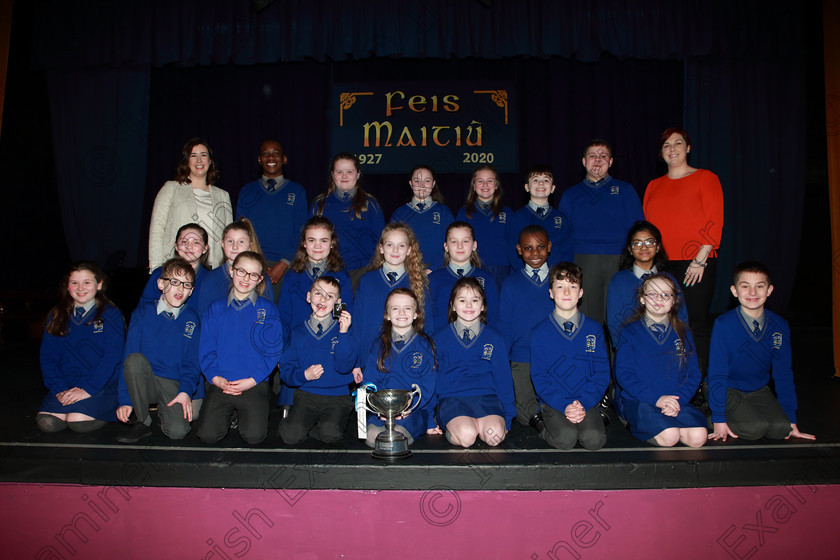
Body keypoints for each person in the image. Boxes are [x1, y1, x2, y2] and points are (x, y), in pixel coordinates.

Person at [643, 127, 724, 371]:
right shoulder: (653, 186)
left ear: (688, 148)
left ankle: (697, 385)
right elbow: (648, 230)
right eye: (666, 145)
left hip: (696, 262)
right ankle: (669, 376)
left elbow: (715, 220)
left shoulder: (705, 178)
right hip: (663, 264)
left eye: (677, 143)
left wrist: (700, 260)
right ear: (661, 153)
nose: (672, 149)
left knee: (694, 323)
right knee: (664, 322)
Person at [707, 262, 815, 442]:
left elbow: (783, 374)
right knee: (755, 429)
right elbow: (717, 373)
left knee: (782, 428)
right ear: (734, 291)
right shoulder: (723, 324)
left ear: (769, 290)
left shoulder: (779, 325)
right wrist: (718, 418)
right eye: (745, 286)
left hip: (758, 390)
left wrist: (792, 419)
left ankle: (747, 414)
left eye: (759, 286)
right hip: (727, 389)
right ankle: (710, 418)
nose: (752, 293)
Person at [197, 251, 284, 444]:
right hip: (222, 382)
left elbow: (273, 351)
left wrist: (253, 380)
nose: (246, 278)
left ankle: (242, 415)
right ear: (231, 271)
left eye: (253, 275)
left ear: (260, 279)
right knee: (207, 435)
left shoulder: (267, 309)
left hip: (252, 382)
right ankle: (229, 415)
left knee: (254, 436)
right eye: (241, 271)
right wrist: (216, 379)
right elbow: (206, 349)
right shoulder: (215, 308)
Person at [614, 274, 707, 447]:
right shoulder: (630, 331)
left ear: (674, 301)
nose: (659, 299)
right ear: (642, 299)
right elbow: (624, 375)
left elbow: (694, 373)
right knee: (670, 436)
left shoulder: (683, 333)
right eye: (653, 294)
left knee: (698, 437)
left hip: (676, 402)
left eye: (666, 295)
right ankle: (633, 424)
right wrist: (657, 399)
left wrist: (679, 400)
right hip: (642, 400)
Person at [116, 257, 202, 442]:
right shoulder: (142, 313)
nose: (180, 289)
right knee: (134, 361)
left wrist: (186, 391)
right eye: (174, 282)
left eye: (186, 285)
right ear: (161, 284)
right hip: (145, 380)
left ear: (191, 291)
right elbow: (127, 357)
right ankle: (143, 420)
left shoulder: (191, 320)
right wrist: (125, 400)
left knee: (178, 432)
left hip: (172, 383)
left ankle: (165, 411)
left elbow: (192, 362)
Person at [559, 139, 643, 324]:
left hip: (619, 260)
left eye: (603, 156)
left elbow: (639, 230)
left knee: (622, 316)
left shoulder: (625, 190)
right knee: (588, 319)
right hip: (583, 260)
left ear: (611, 162)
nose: (598, 160)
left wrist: (636, 263)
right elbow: (562, 235)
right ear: (583, 161)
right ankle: (590, 353)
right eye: (592, 156)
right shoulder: (570, 195)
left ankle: (619, 354)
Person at [37, 262, 125, 433]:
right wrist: (60, 389)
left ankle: (104, 410)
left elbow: (112, 357)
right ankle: (74, 404)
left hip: (100, 384)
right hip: (68, 383)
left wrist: (87, 390)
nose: (80, 288)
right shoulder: (56, 316)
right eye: (74, 283)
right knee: (47, 423)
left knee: (77, 421)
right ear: (67, 286)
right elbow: (48, 358)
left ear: (99, 285)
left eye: (86, 282)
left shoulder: (110, 314)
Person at [530, 263, 609, 450]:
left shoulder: (594, 330)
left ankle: (597, 417)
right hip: (555, 401)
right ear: (550, 293)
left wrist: (584, 403)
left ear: (580, 293)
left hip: (585, 401)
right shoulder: (540, 332)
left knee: (594, 440)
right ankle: (542, 425)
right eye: (560, 286)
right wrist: (564, 405)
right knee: (566, 439)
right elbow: (539, 377)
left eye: (572, 286)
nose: (566, 292)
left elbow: (602, 373)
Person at [433, 278, 515, 447]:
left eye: (475, 300)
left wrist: (507, 417)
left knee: (494, 437)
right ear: (453, 306)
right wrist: (429, 417)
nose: (469, 306)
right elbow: (431, 378)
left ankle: (479, 424)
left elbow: (504, 380)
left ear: (483, 306)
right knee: (467, 436)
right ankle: (459, 426)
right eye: (462, 300)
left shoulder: (494, 338)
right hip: (453, 400)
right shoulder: (439, 338)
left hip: (486, 400)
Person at [277, 276, 358, 445]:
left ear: (338, 302)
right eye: (318, 293)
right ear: (308, 297)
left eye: (330, 296)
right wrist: (303, 375)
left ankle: (323, 424)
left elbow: (345, 367)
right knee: (291, 436)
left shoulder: (344, 331)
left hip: (337, 396)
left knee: (330, 434)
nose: (323, 299)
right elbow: (286, 370)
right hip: (306, 394)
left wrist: (343, 334)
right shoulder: (298, 332)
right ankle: (305, 423)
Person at [361, 288, 438, 448]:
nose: (401, 312)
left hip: (413, 411)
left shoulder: (425, 345)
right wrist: (379, 410)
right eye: (395, 308)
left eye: (407, 308)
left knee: (394, 440)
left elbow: (429, 387)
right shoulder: (378, 345)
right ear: (387, 315)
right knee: (373, 438)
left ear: (416, 313)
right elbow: (369, 381)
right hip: (383, 412)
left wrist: (428, 419)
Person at [499, 225, 556, 432]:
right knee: (526, 413)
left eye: (540, 247)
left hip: (553, 357)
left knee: (555, 403)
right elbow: (505, 327)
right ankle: (541, 423)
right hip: (522, 359)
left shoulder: (559, 281)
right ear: (519, 250)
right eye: (528, 248)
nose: (535, 253)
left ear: (549, 247)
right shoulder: (511, 284)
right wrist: (503, 362)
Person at [236, 140, 308, 302]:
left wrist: (283, 264)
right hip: (253, 266)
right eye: (265, 153)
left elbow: (301, 231)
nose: (271, 157)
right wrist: (255, 264)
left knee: (282, 319)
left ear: (284, 159)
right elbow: (241, 231)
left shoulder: (297, 191)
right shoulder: (247, 191)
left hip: (287, 267)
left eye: (276, 153)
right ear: (259, 160)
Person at [354, 223, 434, 362]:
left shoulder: (419, 281)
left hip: (408, 359)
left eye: (401, 245)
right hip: (371, 359)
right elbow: (357, 324)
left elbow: (429, 326)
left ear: (409, 250)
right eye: (390, 245)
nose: (395, 250)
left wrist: (426, 358)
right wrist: (356, 361)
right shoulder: (367, 281)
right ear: (381, 248)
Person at [148, 138, 232, 271]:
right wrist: (156, 267)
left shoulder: (223, 196)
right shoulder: (171, 188)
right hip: (175, 268)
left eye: (203, 155)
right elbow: (157, 228)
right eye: (194, 156)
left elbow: (229, 236)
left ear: (210, 162)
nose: (199, 160)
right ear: (187, 161)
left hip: (211, 269)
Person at [605, 220, 687, 346]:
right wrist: (625, 349)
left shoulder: (669, 280)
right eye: (637, 243)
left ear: (658, 247)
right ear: (630, 250)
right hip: (631, 348)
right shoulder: (619, 280)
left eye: (649, 242)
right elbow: (614, 322)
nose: (644, 247)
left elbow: (681, 317)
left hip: (666, 346)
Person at [311, 152, 385, 288]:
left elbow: (382, 241)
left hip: (363, 272)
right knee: (339, 309)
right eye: (339, 172)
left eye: (349, 172)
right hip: (331, 272)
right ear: (332, 175)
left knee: (360, 309)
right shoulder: (319, 204)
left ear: (358, 174)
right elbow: (308, 240)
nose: (344, 176)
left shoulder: (370, 204)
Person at [428, 221, 499, 329]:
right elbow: (427, 319)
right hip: (442, 343)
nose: (460, 246)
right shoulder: (433, 280)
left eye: (465, 241)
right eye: (454, 241)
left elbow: (493, 318)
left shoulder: (487, 279)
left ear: (474, 245)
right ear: (446, 246)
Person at [507, 166, 573, 273]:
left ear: (552, 188)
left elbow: (567, 252)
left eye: (546, 180)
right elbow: (512, 252)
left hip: (555, 278)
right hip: (525, 277)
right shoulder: (516, 218)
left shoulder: (561, 219)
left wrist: (561, 274)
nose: (541, 183)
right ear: (527, 187)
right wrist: (525, 275)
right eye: (536, 180)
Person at [456, 165, 513, 287]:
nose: (485, 185)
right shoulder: (464, 213)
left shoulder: (507, 213)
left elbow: (513, 245)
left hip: (501, 270)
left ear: (496, 185)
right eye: (480, 181)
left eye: (490, 181)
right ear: (474, 186)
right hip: (472, 267)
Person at [390, 165, 454, 271]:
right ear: (410, 183)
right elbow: (391, 245)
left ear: (433, 184)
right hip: (407, 271)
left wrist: (434, 268)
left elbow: (453, 243)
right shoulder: (400, 213)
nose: (422, 185)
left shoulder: (443, 212)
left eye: (427, 181)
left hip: (439, 270)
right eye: (417, 181)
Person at [195, 218, 262, 317]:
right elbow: (203, 316)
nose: (235, 247)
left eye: (241, 242)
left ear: (249, 246)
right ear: (222, 243)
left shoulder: (259, 277)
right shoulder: (211, 278)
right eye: (230, 241)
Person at [138, 223, 210, 307]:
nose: (189, 246)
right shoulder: (159, 273)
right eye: (184, 241)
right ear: (176, 246)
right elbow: (144, 308)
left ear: (205, 248)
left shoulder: (210, 279)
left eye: (196, 242)